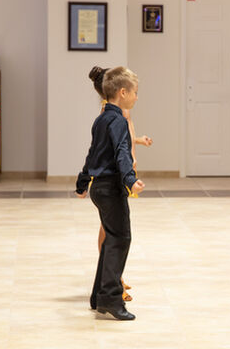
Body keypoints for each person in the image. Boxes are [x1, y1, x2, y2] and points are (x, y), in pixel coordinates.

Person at [76, 66, 145, 320]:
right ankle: (112, 301)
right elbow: (121, 153)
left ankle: (99, 296)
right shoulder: (118, 120)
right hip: (111, 187)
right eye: (135, 92)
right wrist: (130, 180)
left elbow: (94, 152)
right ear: (123, 92)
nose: (137, 97)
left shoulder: (102, 118)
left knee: (110, 242)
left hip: (99, 188)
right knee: (120, 239)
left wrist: (83, 182)